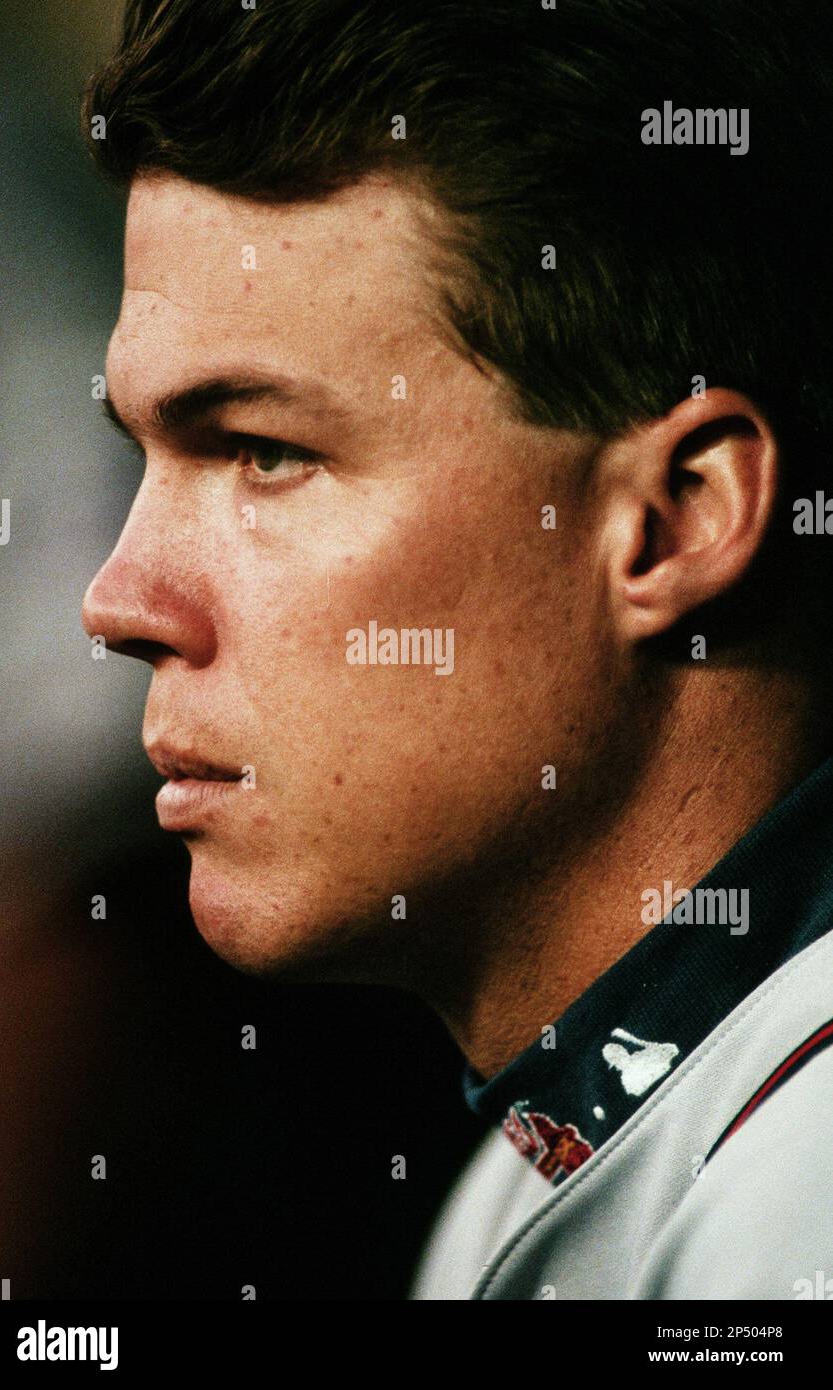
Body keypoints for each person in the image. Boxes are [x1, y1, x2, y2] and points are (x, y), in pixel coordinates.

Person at [80, 0, 833, 1298]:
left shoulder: (796, 1198)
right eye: (143, 457)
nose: (118, 600)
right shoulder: (533, 1162)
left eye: (264, 451)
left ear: (673, 520)